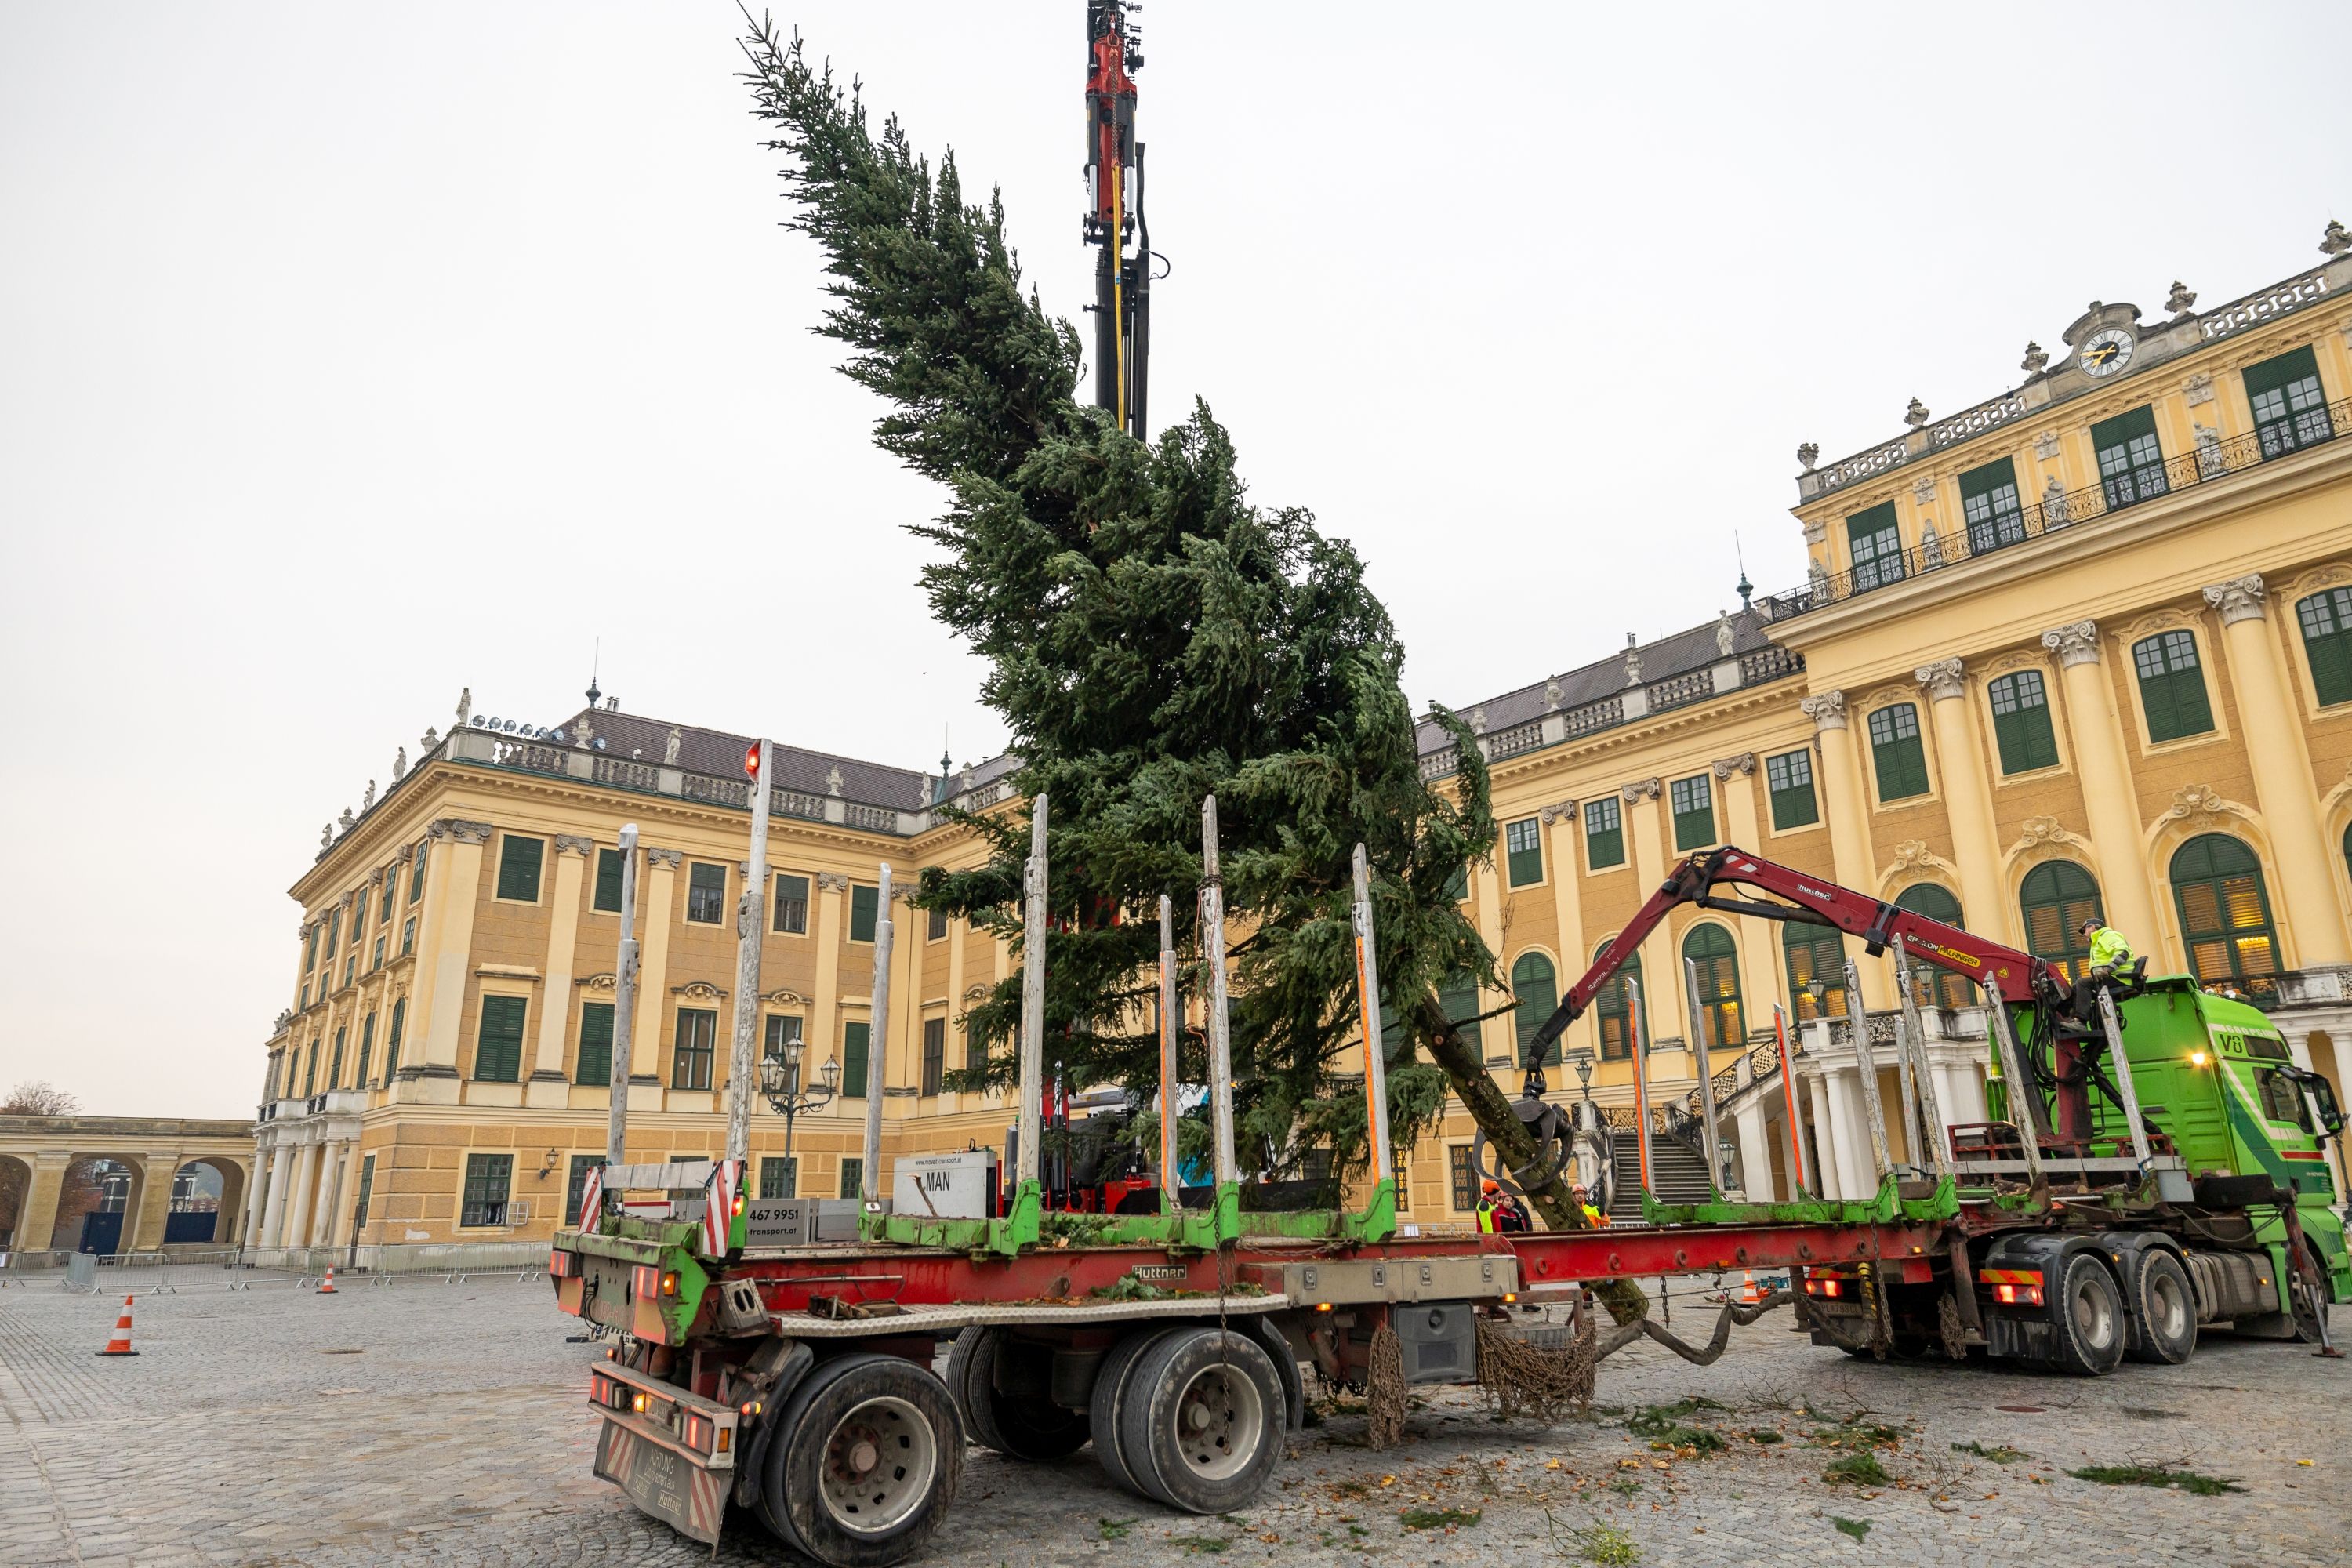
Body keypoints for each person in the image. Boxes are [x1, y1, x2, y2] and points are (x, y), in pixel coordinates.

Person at [2070, 916, 2140, 1027]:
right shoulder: (2098, 940)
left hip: (2120, 978)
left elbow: (2123, 953)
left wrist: (2108, 969)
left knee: (2082, 983)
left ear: (2092, 927)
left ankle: (2080, 1022)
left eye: (2084, 930)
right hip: (2114, 977)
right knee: (2074, 989)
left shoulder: (2107, 935)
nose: (2084, 934)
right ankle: (2072, 1020)